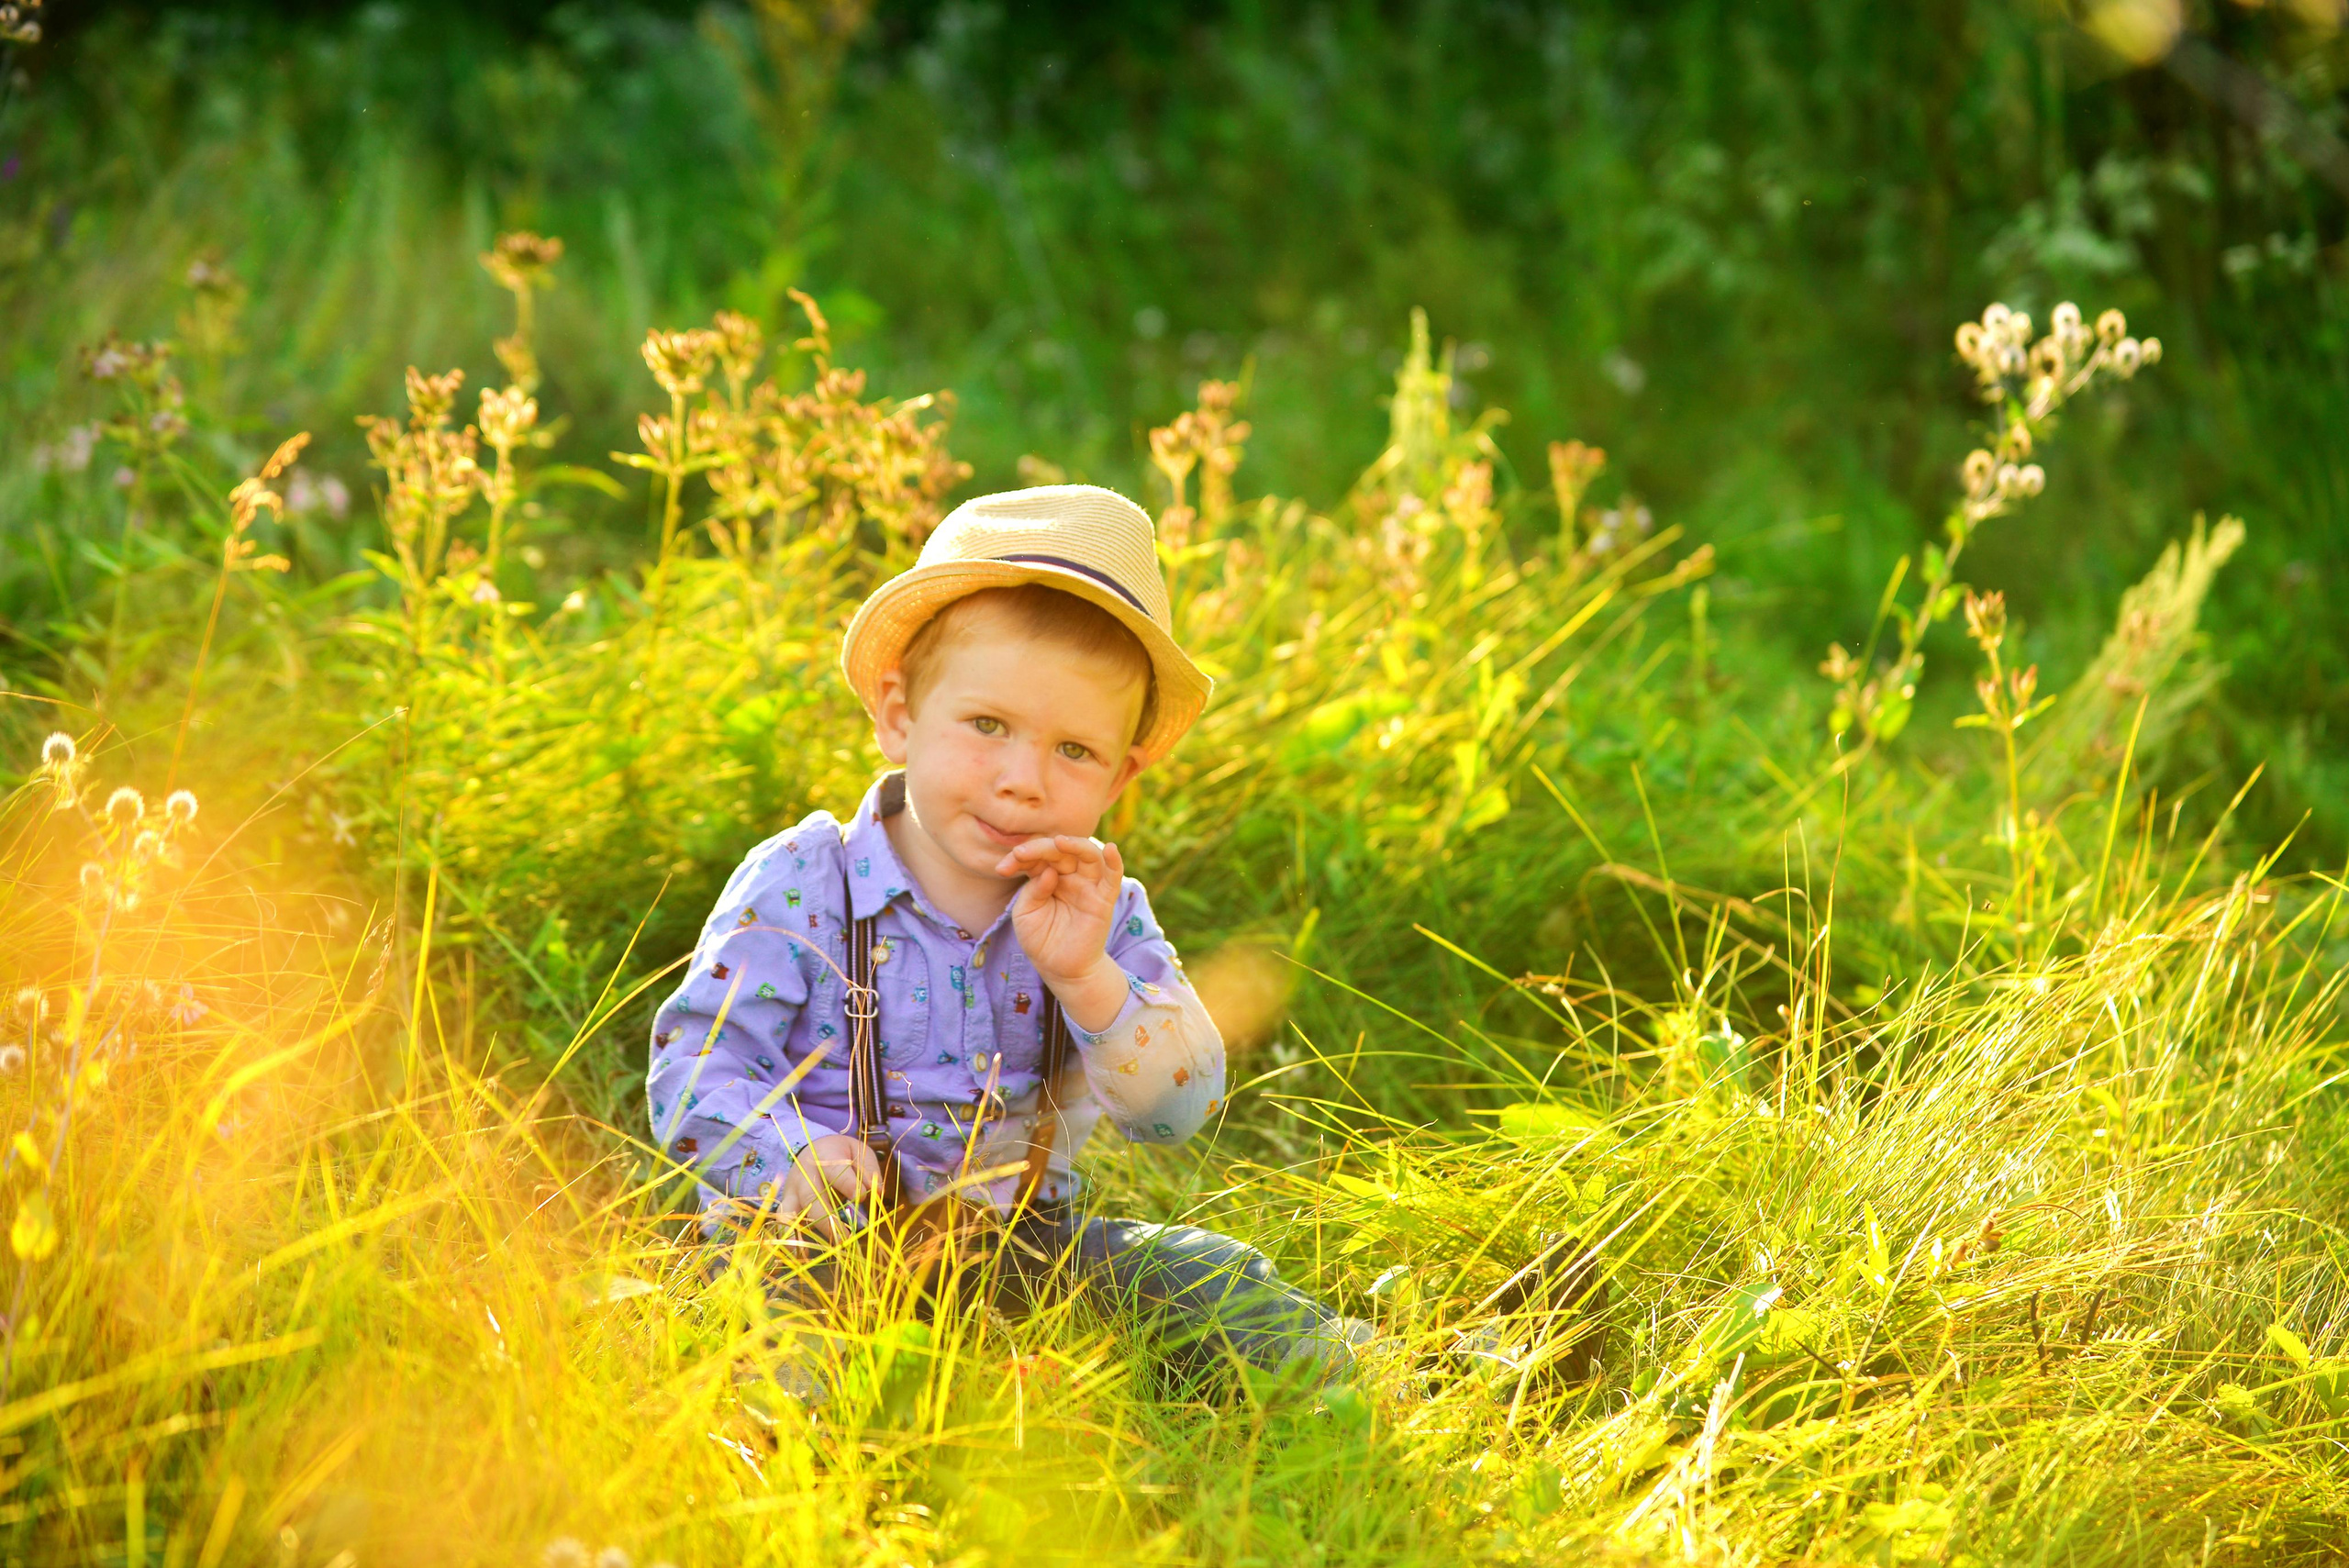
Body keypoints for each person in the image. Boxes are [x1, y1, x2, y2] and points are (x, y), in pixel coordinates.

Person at [647, 484, 1369, 1385]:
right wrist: (789, 1152)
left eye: (1074, 751)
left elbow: (1179, 1110)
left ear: (1121, 775)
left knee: (1202, 1276)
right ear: (899, 712)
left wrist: (1087, 975)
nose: (1022, 779)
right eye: (987, 725)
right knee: (777, 1331)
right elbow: (693, 1065)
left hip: (1020, 1251)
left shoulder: (1099, 911)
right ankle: (825, 1443)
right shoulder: (805, 880)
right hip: (816, 1243)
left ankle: (1406, 1373)